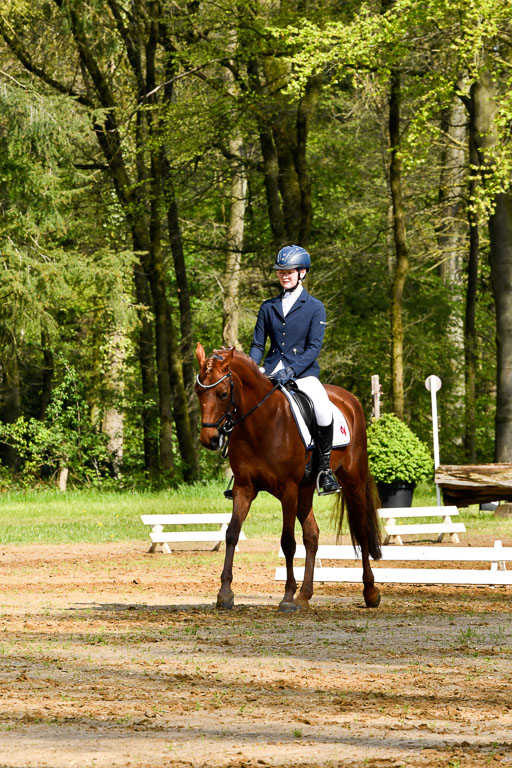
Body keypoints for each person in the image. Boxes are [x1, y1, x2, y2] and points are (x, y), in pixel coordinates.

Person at [249, 245, 340, 495]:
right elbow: (258, 345)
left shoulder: (315, 307)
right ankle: (243, 469)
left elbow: (314, 348)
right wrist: (252, 368)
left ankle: (325, 470)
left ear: (302, 272)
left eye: (289, 272)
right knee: (243, 404)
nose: (284, 276)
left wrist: (291, 370)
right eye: (281, 272)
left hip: (303, 373)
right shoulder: (268, 307)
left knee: (322, 408)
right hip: (270, 370)